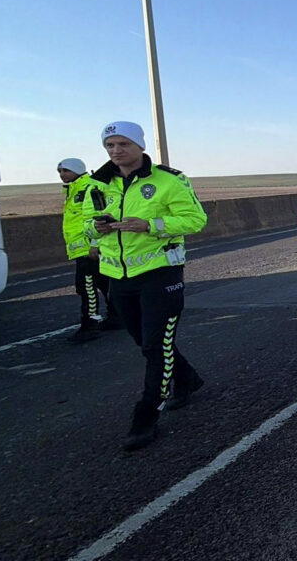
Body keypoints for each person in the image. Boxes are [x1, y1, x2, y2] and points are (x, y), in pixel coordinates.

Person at [84, 121, 207, 451]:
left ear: (139, 146)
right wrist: (97, 229)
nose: (116, 150)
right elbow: (87, 226)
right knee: (146, 342)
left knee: (157, 345)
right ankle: (187, 379)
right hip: (119, 278)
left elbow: (196, 220)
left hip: (160, 274)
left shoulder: (169, 181)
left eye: (123, 143)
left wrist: (151, 225)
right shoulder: (97, 184)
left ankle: (146, 415)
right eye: (109, 145)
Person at [59, 158, 112, 343]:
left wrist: (94, 244)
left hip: (88, 249)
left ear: (77, 170)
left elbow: (97, 217)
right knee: (104, 283)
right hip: (82, 248)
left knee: (86, 287)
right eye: (60, 171)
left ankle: (90, 326)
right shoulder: (73, 189)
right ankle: (116, 317)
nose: (62, 174)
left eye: (66, 170)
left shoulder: (88, 188)